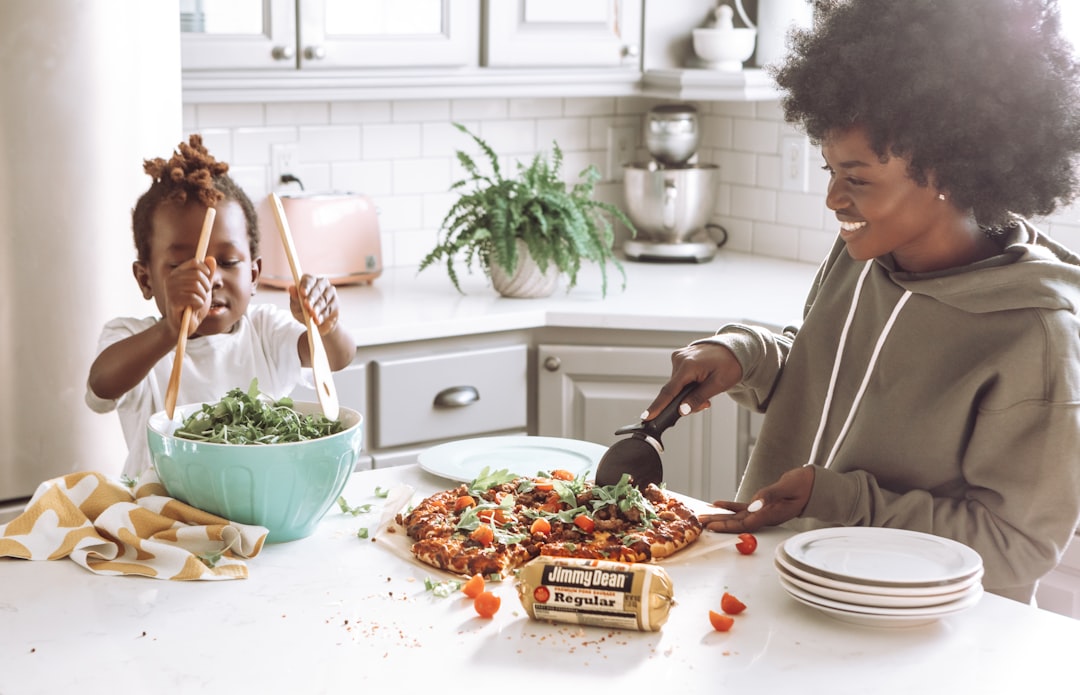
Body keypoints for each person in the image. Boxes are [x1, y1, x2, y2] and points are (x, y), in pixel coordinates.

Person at [642, 0, 1080, 604]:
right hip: (777, 589)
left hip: (918, 639)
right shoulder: (863, 254)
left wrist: (842, 500)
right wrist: (746, 354)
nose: (831, 200)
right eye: (829, 170)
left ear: (948, 170)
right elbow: (831, 372)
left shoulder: (1033, 333)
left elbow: (1017, 547)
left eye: (858, 179)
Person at [86, 135, 356, 478]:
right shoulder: (134, 337)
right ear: (145, 279)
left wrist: (325, 324)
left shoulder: (265, 332)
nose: (210, 279)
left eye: (228, 262)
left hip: (258, 504)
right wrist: (170, 330)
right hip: (161, 514)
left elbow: (338, 357)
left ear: (254, 275)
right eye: (183, 267)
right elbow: (101, 386)